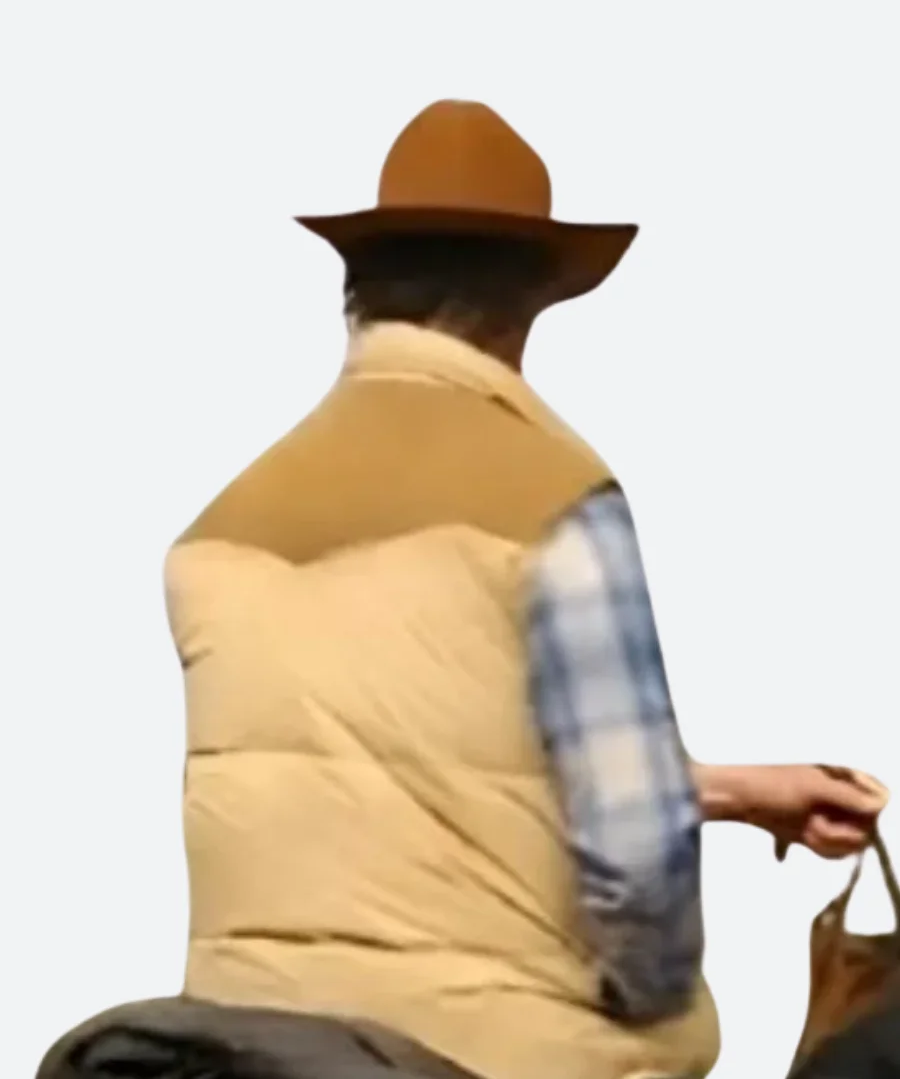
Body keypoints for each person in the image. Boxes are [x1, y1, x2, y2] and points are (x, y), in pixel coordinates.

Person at [38, 100, 887, 1079]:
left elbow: (399, 766)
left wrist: (726, 790)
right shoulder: (557, 501)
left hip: (246, 1039)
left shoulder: (214, 534)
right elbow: (635, 863)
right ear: (532, 299)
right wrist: (658, 995)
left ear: (359, 291)